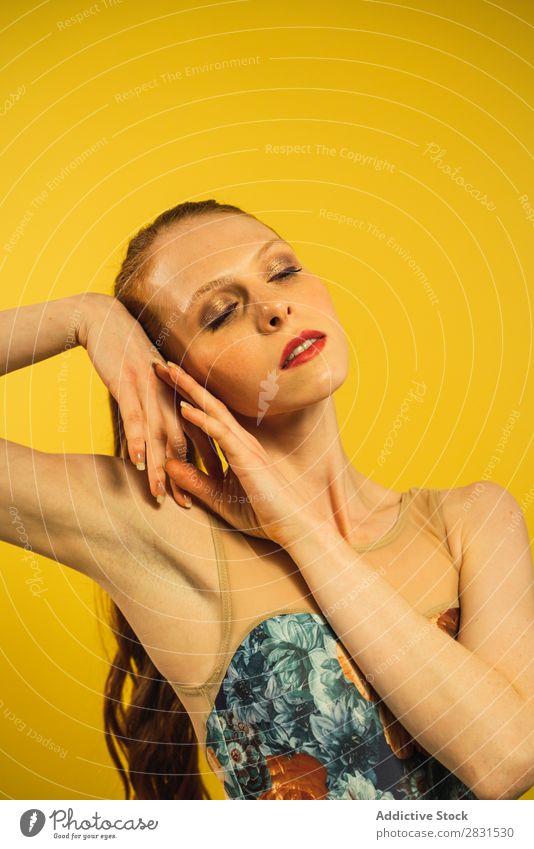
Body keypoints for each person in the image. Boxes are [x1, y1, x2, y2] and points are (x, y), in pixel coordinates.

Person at [1, 199, 533, 801]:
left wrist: (300, 531)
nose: (275, 307)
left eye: (282, 271)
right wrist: (84, 317)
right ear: (175, 375)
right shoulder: (158, 528)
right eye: (221, 312)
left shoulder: (473, 518)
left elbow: (506, 759)